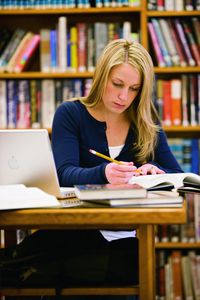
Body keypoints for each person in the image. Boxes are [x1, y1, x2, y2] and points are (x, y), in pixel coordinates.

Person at [8, 39, 183, 296]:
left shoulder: (145, 121)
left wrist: (154, 171)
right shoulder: (71, 114)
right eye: (117, 84)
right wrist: (104, 173)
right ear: (102, 77)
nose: (124, 97)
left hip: (123, 242)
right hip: (72, 236)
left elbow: (178, 176)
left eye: (134, 89)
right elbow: (64, 173)